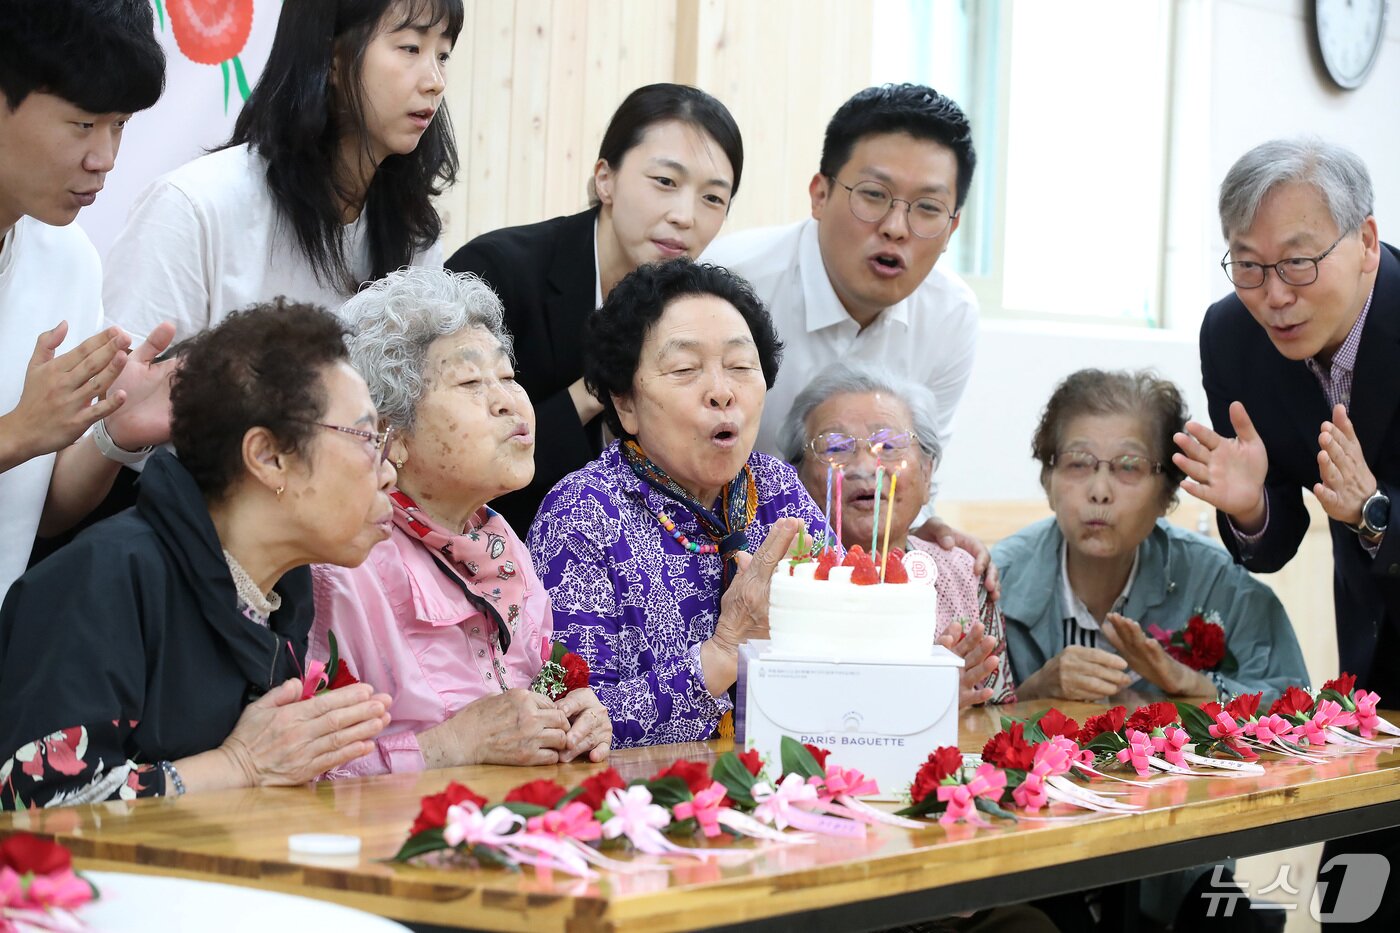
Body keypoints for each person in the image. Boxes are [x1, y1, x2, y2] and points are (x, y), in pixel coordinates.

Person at [0, 302, 395, 808]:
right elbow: (34, 802)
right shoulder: (108, 575)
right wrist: (239, 766)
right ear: (269, 458)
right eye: (367, 438)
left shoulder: (280, 599)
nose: (386, 472)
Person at [1173, 138, 1399, 930]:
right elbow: (1279, 533)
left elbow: (1363, 510)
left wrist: (1376, 513)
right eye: (1248, 265)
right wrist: (1250, 508)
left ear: (1365, 242)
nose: (1274, 295)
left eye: (1299, 263)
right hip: (1378, 661)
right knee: (1360, 900)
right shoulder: (1232, 335)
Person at [313, 268, 611, 774]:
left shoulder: (498, 542)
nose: (508, 401)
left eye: (509, 377)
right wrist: (450, 746)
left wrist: (575, 719)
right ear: (392, 437)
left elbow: (529, 702)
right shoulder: (344, 566)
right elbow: (301, 775)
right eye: (470, 381)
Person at [703, 83, 991, 587]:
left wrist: (922, 525)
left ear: (952, 229)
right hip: (717, 548)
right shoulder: (730, 284)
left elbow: (916, 468)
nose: (897, 227)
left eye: (927, 209)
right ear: (820, 194)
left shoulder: (951, 317)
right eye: (875, 196)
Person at [529, 259, 823, 748]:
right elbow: (569, 718)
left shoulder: (779, 491)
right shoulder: (580, 515)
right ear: (625, 404)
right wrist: (724, 651)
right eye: (686, 369)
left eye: (741, 367)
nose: (723, 393)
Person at [447, 83, 743, 533]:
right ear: (605, 178)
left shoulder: (697, 308)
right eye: (665, 182)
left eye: (712, 198)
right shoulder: (496, 274)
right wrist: (596, 390)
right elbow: (457, 452)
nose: (686, 215)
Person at [105, 0, 462, 344]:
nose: (436, 81)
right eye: (410, 48)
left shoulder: (412, 230)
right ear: (333, 57)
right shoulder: (192, 208)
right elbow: (127, 392)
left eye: (443, 56)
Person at [994, 369, 1307, 706]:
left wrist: (1195, 684)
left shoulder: (1219, 585)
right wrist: (1032, 694)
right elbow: (958, 719)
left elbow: (1298, 705)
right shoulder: (997, 583)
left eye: (1129, 466)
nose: (1100, 491)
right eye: (1078, 463)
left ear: (1167, 496)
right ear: (1047, 481)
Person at [0, 0, 176, 598]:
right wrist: (18, 433)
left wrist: (113, 434)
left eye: (119, 124)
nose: (103, 158)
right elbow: (19, 442)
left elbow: (38, 515)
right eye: (82, 124)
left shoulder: (67, 257)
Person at [779, 362, 1014, 707]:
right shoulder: (784, 575)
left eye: (888, 445)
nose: (863, 466)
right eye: (834, 447)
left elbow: (996, 714)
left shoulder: (965, 572)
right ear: (795, 474)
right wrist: (919, 697)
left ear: (927, 470)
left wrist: (955, 701)